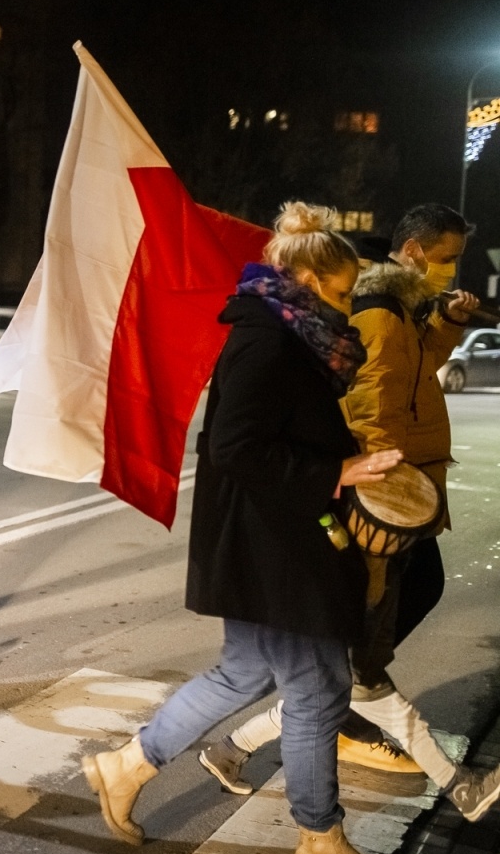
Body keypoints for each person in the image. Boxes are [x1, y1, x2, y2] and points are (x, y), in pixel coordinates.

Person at [82, 203, 400, 854]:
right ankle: (320, 842)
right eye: (343, 293)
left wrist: (341, 453)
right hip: (272, 547)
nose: (349, 309)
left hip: (268, 541)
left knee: (247, 672)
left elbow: (280, 433)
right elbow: (236, 448)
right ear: (309, 279)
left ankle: (126, 765)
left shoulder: (288, 334)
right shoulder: (268, 338)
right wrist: (335, 470)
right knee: (318, 687)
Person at [203, 203, 500, 821]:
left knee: (338, 664)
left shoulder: (402, 315)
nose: (452, 268)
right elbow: (359, 413)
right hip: (377, 502)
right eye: (446, 255)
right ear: (415, 252)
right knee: (343, 666)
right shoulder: (366, 321)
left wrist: (445, 323)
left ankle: (230, 749)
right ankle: (428, 794)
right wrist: (364, 483)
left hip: (393, 492)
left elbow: (413, 376)